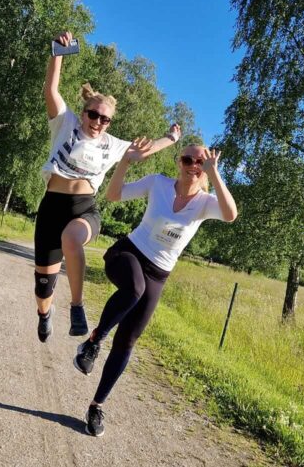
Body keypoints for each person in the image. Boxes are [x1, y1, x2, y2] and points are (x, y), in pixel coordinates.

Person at [72, 145, 238, 436]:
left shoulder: (205, 203)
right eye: (187, 159)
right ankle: (94, 341)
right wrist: (125, 161)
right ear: (178, 162)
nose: (193, 165)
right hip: (128, 254)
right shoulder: (157, 183)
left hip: (159, 274)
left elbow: (230, 214)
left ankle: (96, 405)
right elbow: (114, 194)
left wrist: (215, 174)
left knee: (128, 340)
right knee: (134, 289)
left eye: (200, 162)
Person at [35, 31, 182, 343]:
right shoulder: (64, 123)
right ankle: (44, 313)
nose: (98, 122)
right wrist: (58, 52)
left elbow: (143, 150)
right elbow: (51, 89)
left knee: (72, 239)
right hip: (51, 207)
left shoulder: (112, 145)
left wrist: (171, 138)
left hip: (84, 209)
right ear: (84, 112)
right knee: (43, 287)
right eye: (94, 115)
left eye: (105, 120)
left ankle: (77, 307)